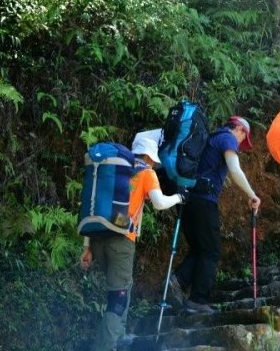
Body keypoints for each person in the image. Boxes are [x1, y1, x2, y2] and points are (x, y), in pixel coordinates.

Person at [80, 135, 186, 351]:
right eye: (154, 160)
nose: (155, 164)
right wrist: (178, 198)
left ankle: (118, 342)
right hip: (121, 241)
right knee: (117, 299)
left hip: (98, 238)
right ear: (149, 155)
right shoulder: (146, 172)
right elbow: (158, 203)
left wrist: (87, 246)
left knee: (121, 291)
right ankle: (104, 347)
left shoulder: (118, 169)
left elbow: (96, 206)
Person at [170, 116, 261, 314]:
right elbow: (235, 169)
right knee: (211, 251)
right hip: (204, 200)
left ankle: (177, 281)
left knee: (201, 248)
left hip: (187, 199)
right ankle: (197, 300)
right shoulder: (227, 138)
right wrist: (252, 195)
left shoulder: (211, 138)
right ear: (238, 129)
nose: (240, 143)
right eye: (243, 137)